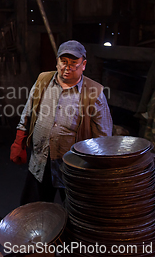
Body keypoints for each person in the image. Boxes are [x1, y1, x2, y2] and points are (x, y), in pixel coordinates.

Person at [10, 40, 113, 205]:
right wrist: (19, 140)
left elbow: (103, 136)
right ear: (57, 62)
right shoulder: (43, 80)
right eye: (63, 62)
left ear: (83, 64)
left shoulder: (95, 92)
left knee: (75, 215)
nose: (67, 67)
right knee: (33, 212)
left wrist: (99, 168)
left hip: (74, 168)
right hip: (40, 161)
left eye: (73, 63)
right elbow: (28, 112)